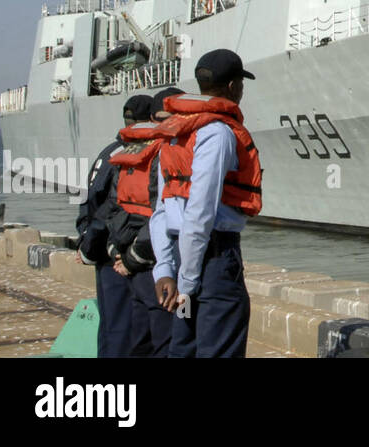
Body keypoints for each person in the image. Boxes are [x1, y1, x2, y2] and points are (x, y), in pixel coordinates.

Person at [150, 49, 263, 358]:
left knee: (183, 348)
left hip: (176, 257)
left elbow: (161, 210)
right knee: (219, 349)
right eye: (241, 83)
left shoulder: (174, 135)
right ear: (232, 87)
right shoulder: (219, 134)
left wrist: (165, 270)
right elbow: (199, 215)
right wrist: (186, 284)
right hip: (212, 266)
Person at [106, 86, 182, 357]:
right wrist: (135, 257)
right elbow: (163, 215)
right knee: (168, 341)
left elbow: (114, 208)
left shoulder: (130, 152)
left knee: (140, 342)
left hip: (133, 268)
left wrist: (121, 255)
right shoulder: (172, 154)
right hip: (160, 268)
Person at [76, 94, 152, 357]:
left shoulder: (108, 151)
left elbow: (89, 200)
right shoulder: (133, 155)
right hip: (117, 254)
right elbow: (113, 209)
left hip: (101, 250)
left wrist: (86, 244)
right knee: (123, 330)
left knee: (109, 327)